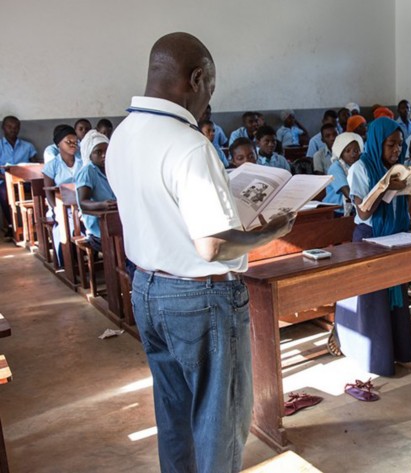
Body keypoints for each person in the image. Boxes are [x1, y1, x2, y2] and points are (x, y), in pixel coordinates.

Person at [107, 32, 296, 473]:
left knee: (174, 414)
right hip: (200, 297)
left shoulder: (124, 134)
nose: (210, 97)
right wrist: (268, 232)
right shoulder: (189, 144)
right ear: (196, 78)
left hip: (147, 289)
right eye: (210, 86)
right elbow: (212, 245)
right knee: (219, 421)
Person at [334, 117, 411, 376]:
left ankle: (399, 350)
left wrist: (410, 186)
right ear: (376, 143)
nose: (396, 150)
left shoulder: (399, 168)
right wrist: (385, 188)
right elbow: (364, 211)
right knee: (372, 300)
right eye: (390, 144)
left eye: (399, 144)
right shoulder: (360, 168)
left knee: (395, 296)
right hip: (370, 238)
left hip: (394, 236)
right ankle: (374, 357)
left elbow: (401, 206)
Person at [42, 125, 83, 267]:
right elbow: (48, 192)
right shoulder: (52, 166)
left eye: (75, 141)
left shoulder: (82, 161)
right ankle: (67, 262)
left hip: (82, 204)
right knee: (66, 226)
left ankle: (86, 257)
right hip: (62, 207)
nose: (73, 144)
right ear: (58, 143)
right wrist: (56, 210)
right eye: (68, 141)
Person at [75, 131, 117, 252]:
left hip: (116, 221)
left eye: (107, 151)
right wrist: (103, 205)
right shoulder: (87, 171)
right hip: (98, 229)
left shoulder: (111, 169)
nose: (104, 155)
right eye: (98, 152)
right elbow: (83, 203)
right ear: (89, 154)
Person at [0, 115, 38, 231]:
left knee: (38, 189)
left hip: (26, 181)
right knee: (3, 192)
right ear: (3, 127)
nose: (12, 129)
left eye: (16, 127)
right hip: (5, 181)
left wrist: (30, 178)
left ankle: (37, 224)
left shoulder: (28, 146)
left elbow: (36, 166)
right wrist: (6, 178)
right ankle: (12, 226)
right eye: (9, 126)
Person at [323, 132, 363, 214]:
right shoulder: (335, 168)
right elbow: (348, 193)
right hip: (334, 211)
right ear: (340, 153)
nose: (352, 154)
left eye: (356, 151)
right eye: (347, 151)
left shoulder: (359, 166)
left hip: (354, 208)